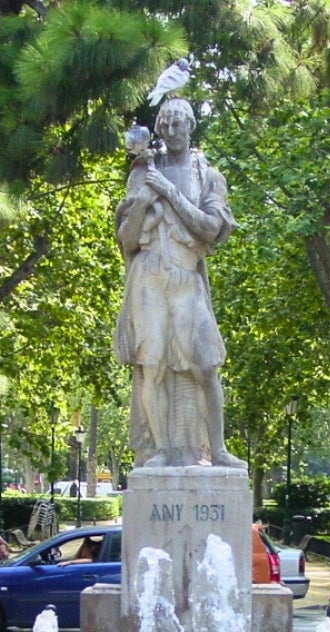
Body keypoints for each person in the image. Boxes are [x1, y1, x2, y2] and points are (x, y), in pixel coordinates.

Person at [114, 97, 246, 470]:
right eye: (165, 125)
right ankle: (161, 450)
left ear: (190, 126)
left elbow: (210, 228)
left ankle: (216, 449)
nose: (172, 132)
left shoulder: (207, 175)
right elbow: (127, 239)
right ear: (159, 130)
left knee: (205, 363)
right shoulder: (143, 171)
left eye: (178, 124)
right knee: (151, 365)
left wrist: (168, 193)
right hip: (150, 275)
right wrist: (144, 200)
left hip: (186, 275)